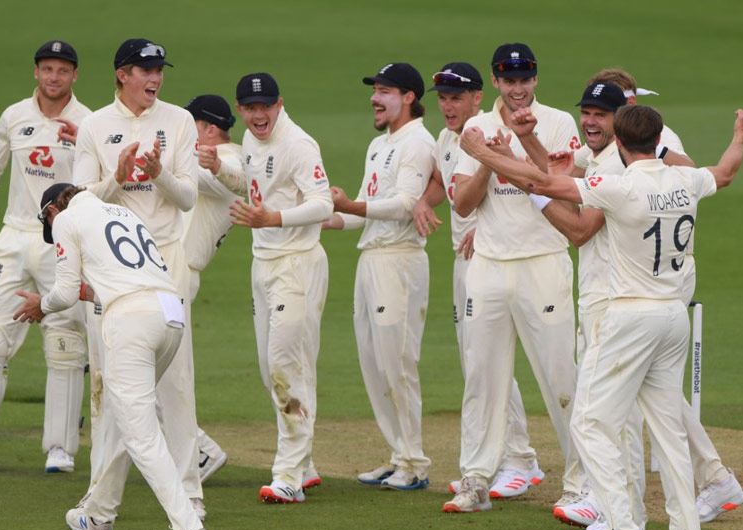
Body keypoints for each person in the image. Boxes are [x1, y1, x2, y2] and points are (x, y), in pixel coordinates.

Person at [460, 104, 743, 530]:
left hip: (630, 316)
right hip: (673, 318)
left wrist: (481, 152)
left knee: (590, 423)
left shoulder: (617, 187)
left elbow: (541, 184)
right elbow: (727, 171)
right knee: (669, 434)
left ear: (619, 143)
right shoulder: (688, 180)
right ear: (660, 143)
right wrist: (740, 133)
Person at [14, 183, 208, 530]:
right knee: (124, 420)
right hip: (170, 313)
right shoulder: (121, 212)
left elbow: (66, 292)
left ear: (53, 210)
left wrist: (43, 304)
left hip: (132, 321)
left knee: (141, 434)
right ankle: (97, 518)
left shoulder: (68, 219)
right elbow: (120, 282)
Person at [443, 43, 583, 513]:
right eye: (509, 80)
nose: (518, 89)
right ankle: (476, 477)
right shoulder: (477, 128)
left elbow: (558, 185)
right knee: (482, 375)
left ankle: (582, 482)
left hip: (543, 260)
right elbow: (462, 204)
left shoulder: (560, 122)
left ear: (535, 80)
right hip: (488, 267)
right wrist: (487, 157)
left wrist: (518, 146)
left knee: (561, 376)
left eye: (525, 80)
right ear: (497, 83)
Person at [72, 38, 205, 516]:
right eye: (145, 70)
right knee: (108, 381)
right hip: (112, 265)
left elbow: (188, 197)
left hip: (165, 258)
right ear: (121, 75)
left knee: (175, 382)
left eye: (159, 70)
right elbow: (78, 199)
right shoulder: (94, 125)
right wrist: (118, 179)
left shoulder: (179, 120)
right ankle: (101, 497)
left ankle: (190, 491)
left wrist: (160, 175)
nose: (155, 79)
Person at [0, 41, 90, 473]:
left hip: (63, 241)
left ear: (74, 76)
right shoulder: (14, 116)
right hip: (13, 238)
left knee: (64, 343)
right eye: (47, 68)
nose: (54, 77)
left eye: (62, 70)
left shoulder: (89, 122)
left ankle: (60, 449)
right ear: (36, 72)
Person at [413, 62, 544, 500]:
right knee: (477, 364)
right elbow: (440, 181)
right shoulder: (448, 138)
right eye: (443, 98)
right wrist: (420, 202)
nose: (447, 106)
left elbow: (526, 188)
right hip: (462, 263)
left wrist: (481, 227)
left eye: (455, 98)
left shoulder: (488, 132)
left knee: (491, 364)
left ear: (476, 98)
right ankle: (504, 459)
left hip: (493, 259)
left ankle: (520, 460)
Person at [325, 62, 435, 490]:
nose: (375, 97)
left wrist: (351, 207)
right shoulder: (379, 145)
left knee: (398, 362)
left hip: (400, 260)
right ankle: (398, 454)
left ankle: (416, 462)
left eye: (385, 90)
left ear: (408, 97)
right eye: (375, 90)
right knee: (374, 362)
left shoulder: (417, 142)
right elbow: (367, 209)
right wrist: (321, 218)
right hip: (371, 259)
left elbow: (406, 204)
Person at [228, 73, 333, 503]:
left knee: (286, 366)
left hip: (297, 265)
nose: (258, 115)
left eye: (265, 106)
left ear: (279, 104)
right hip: (264, 264)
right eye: (250, 108)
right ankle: (304, 464)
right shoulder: (251, 141)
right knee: (270, 369)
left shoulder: (298, 144)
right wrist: (220, 169)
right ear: (241, 110)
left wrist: (275, 219)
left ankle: (287, 475)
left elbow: (323, 203)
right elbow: (257, 185)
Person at [182, 94, 242, 483]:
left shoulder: (234, 162)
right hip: (165, 275)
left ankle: (201, 451)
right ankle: (187, 452)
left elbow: (201, 177)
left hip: (179, 276)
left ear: (207, 129)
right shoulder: (202, 159)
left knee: (151, 375)